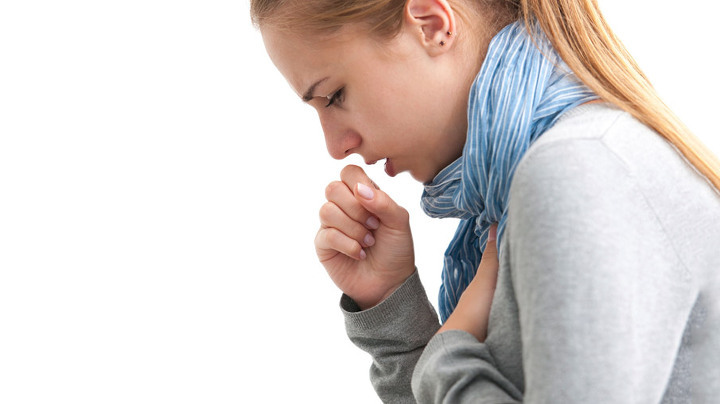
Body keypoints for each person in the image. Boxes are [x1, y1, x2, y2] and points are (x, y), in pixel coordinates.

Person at [252, 0, 720, 402]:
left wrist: (448, 353)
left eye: (335, 96)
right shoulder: (526, 186)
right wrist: (392, 305)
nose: (336, 146)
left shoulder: (578, 169)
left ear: (432, 26)